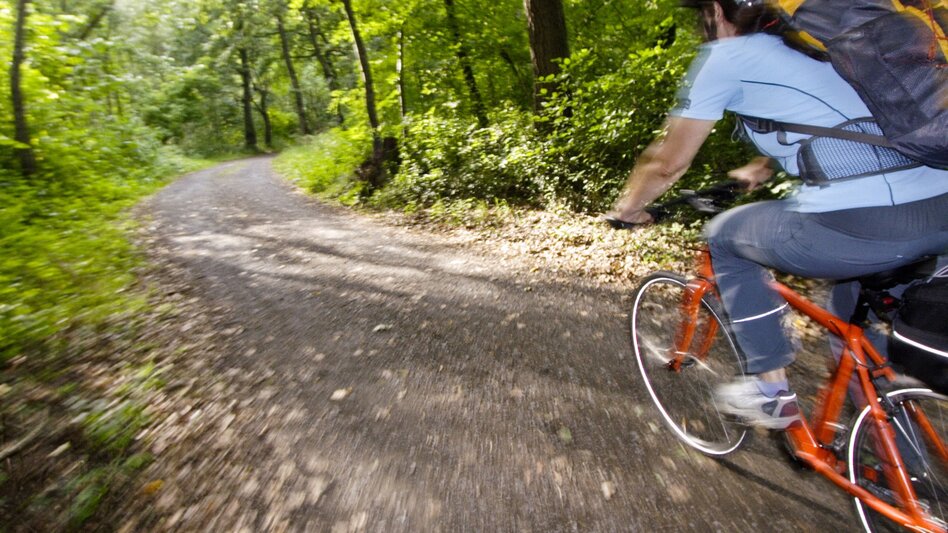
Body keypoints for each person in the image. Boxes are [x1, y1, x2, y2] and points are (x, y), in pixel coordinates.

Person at [605, 0, 948, 429]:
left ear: (715, 10)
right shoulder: (822, 48)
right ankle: (898, 470)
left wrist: (629, 209)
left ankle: (770, 392)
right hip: (941, 210)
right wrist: (761, 167)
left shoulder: (727, 57)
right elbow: (839, 121)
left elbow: (666, 163)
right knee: (858, 336)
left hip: (869, 225)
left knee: (725, 236)